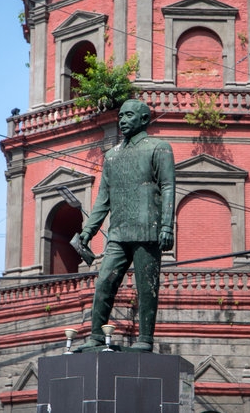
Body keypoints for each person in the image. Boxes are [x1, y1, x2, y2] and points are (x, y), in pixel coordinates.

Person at [79, 99, 175, 351]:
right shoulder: (111, 156)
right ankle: (96, 337)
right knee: (104, 282)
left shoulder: (159, 148)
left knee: (147, 287)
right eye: (120, 115)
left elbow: (168, 186)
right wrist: (87, 232)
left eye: (129, 115)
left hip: (148, 230)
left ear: (144, 119)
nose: (122, 120)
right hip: (118, 233)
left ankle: (145, 339)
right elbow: (103, 199)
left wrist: (166, 226)